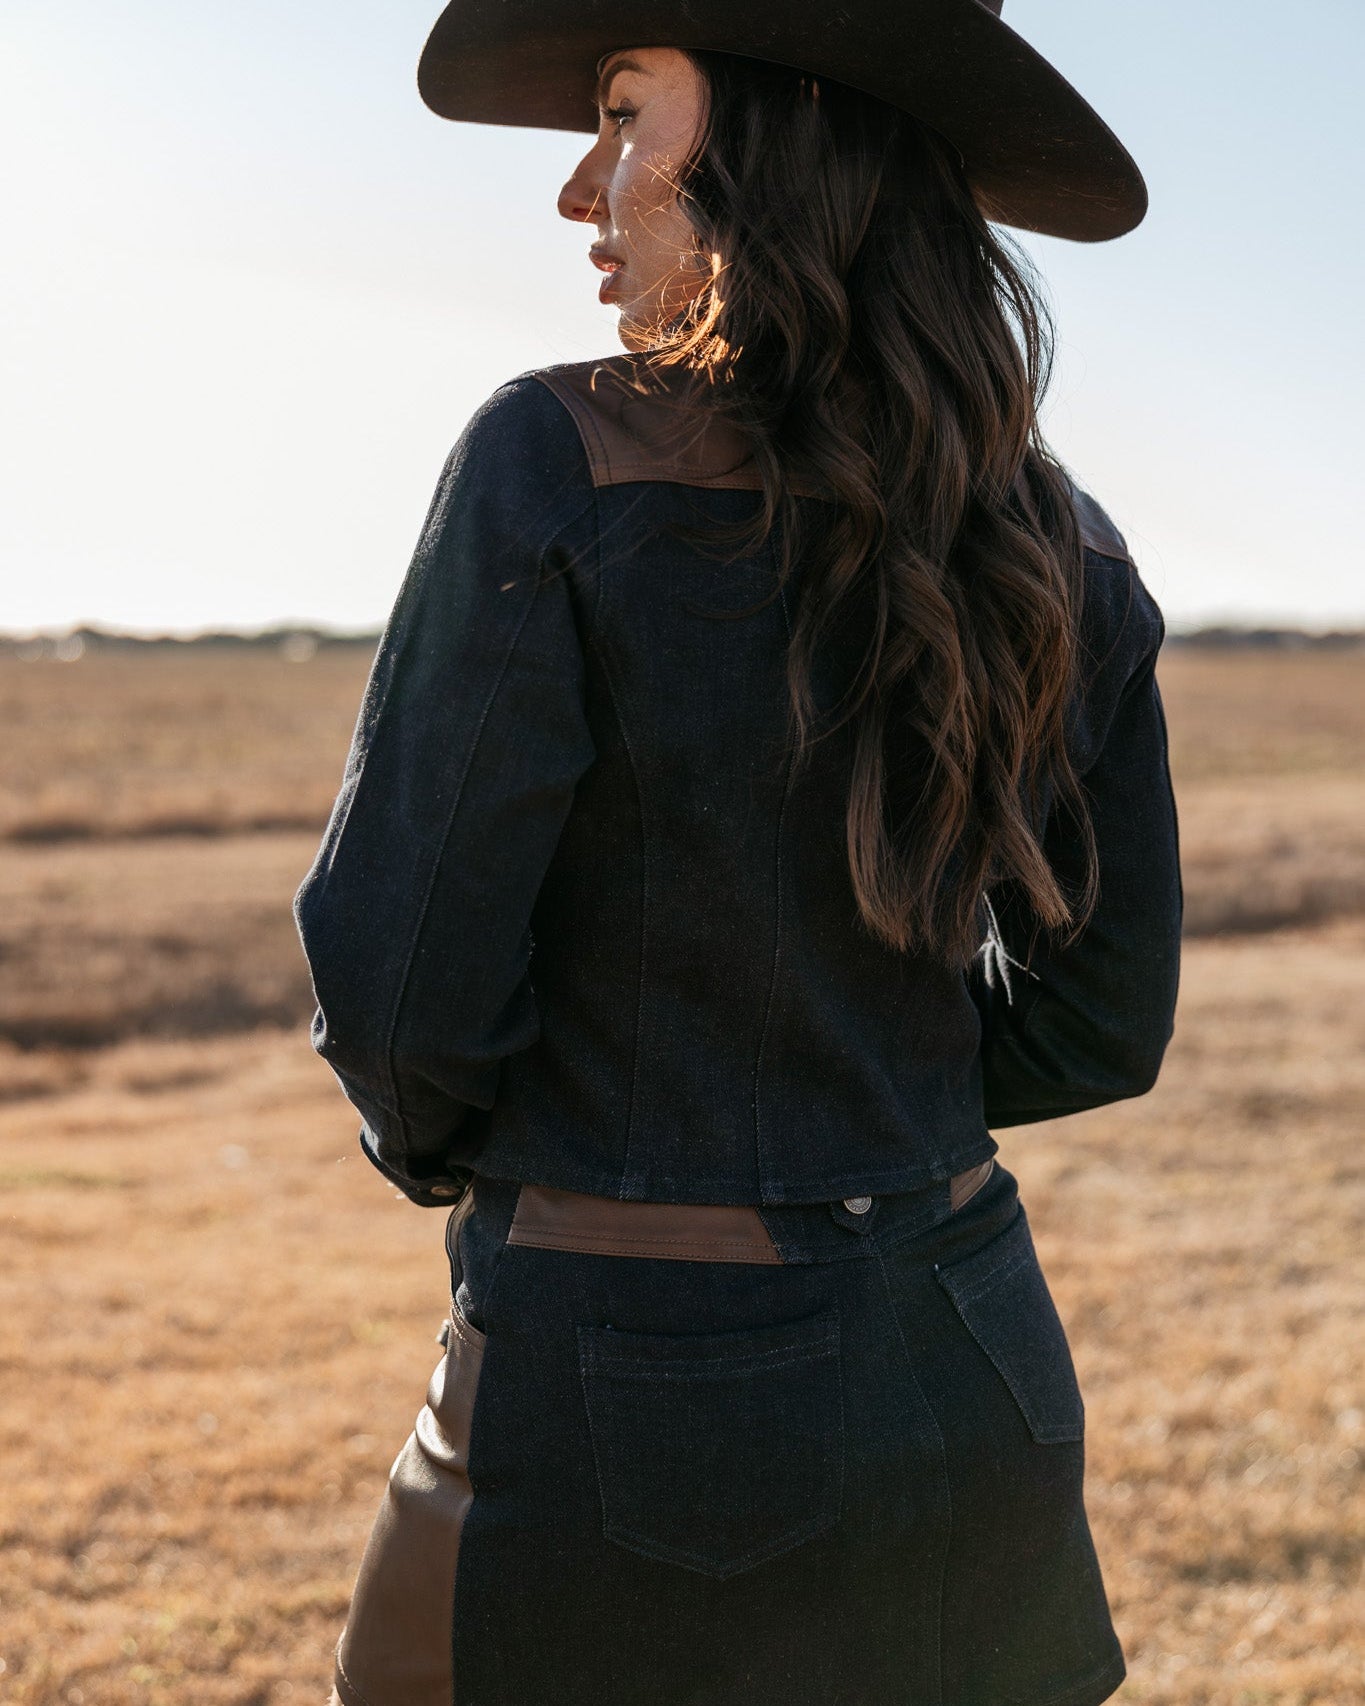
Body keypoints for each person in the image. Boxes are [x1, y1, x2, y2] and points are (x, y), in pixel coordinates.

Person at [295, 3, 1182, 1703]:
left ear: (780, 137)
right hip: (977, 1357)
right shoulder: (1059, 534)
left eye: (625, 116)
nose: (580, 186)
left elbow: (403, 987)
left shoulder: (553, 459)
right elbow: (1098, 1021)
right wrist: (867, 1099)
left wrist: (543, 1161)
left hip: (624, 1387)